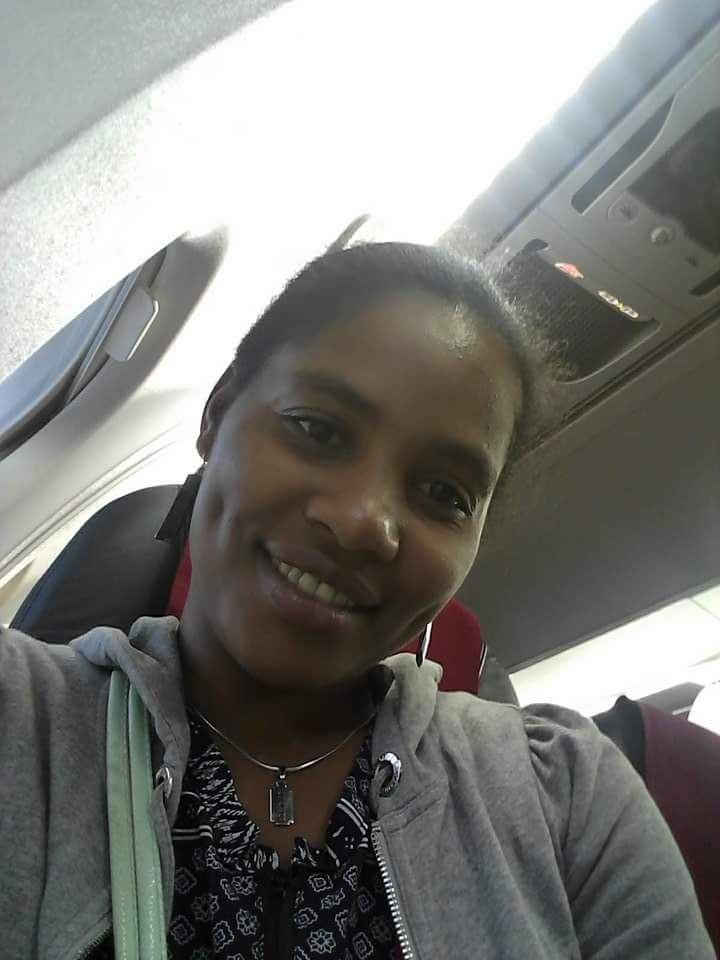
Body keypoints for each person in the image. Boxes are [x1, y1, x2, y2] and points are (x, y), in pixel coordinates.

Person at [0, 240, 714, 960]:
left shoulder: (570, 796)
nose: (365, 522)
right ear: (217, 415)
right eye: (318, 428)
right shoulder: (23, 718)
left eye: (444, 493)